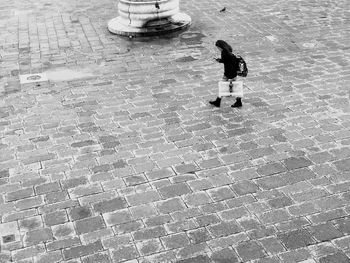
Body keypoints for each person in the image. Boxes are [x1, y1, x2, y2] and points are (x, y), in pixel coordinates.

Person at [209, 40, 242, 108]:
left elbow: (225, 60)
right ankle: (219, 101)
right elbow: (227, 60)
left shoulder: (224, 52)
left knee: (226, 86)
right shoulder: (229, 49)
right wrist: (219, 60)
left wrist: (218, 60)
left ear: (220, 47)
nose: (218, 49)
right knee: (234, 86)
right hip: (233, 71)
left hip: (229, 73)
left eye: (218, 48)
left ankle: (219, 101)